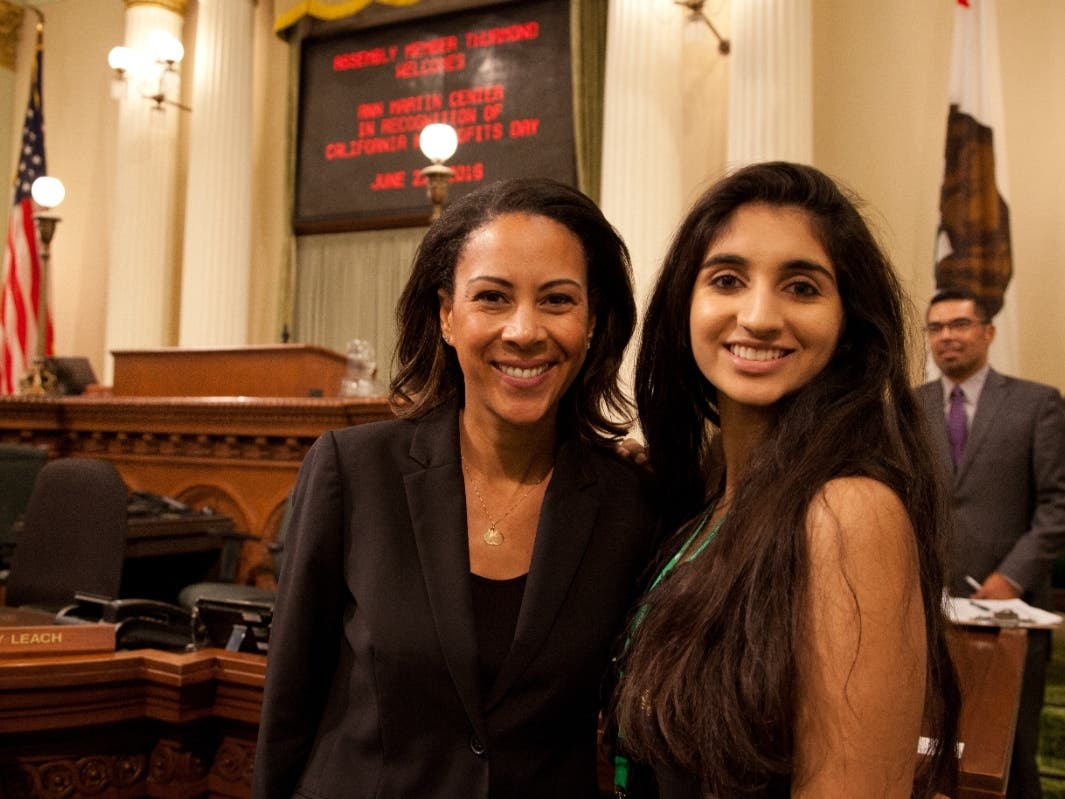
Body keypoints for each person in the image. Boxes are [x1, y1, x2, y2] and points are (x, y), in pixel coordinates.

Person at [251, 178, 656, 799]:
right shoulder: (352, 472)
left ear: (593, 321)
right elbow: (287, 713)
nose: (524, 331)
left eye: (556, 300)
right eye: (492, 298)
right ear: (446, 316)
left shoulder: (630, 502)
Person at [612, 162, 960, 798]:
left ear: (848, 318)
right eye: (727, 279)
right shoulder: (711, 491)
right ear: (685, 303)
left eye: (801, 287)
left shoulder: (849, 511)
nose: (760, 316)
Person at [917, 287, 1065, 799]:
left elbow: (1058, 506)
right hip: (927, 613)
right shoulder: (908, 408)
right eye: (935, 328)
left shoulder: (1037, 403)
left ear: (988, 332)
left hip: (1010, 617)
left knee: (1011, 756)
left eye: (958, 324)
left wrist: (1012, 577)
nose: (946, 337)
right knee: (932, 752)